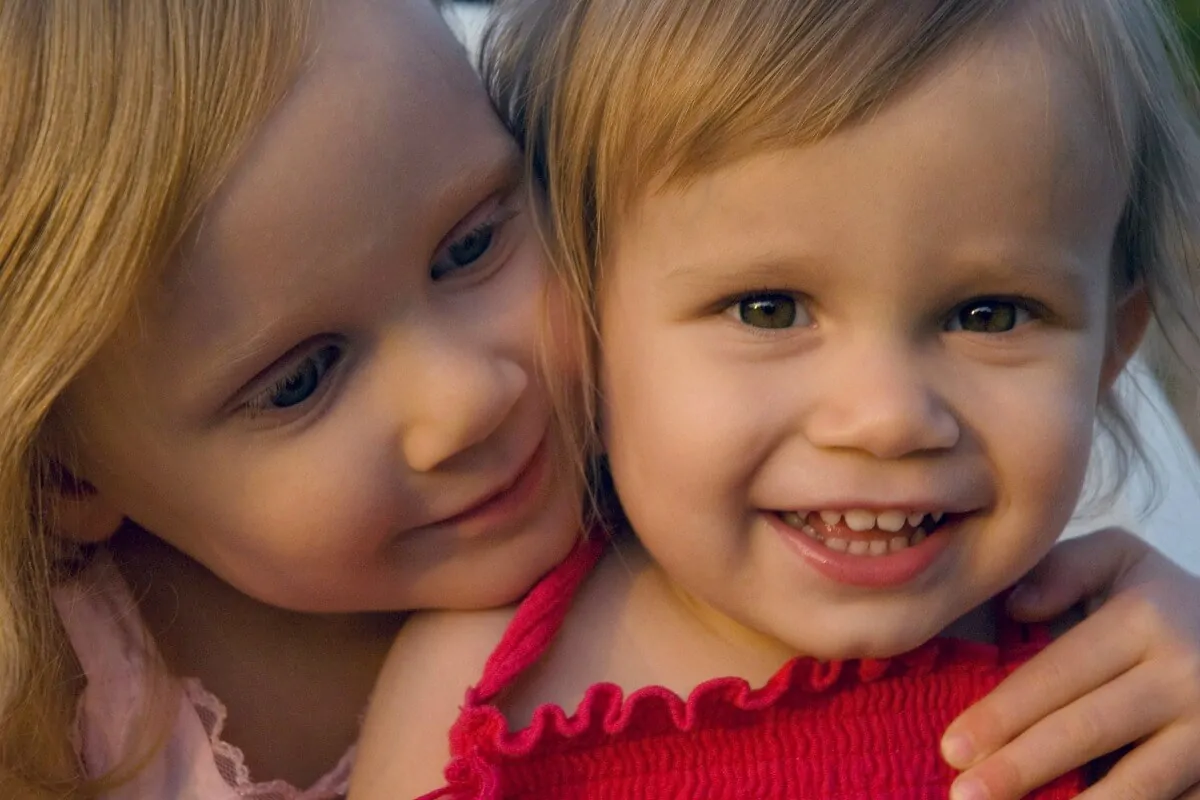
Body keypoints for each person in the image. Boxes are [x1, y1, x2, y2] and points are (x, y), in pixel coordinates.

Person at [350, 0, 1200, 798]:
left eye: (989, 315)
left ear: (1108, 355)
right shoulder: (478, 691)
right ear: (587, 339)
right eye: (769, 309)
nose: (889, 418)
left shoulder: (1124, 680)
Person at [1, 1, 582, 797]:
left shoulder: (708, 482)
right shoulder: (51, 713)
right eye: (301, 382)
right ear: (65, 481)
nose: (468, 398)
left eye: (472, 246)